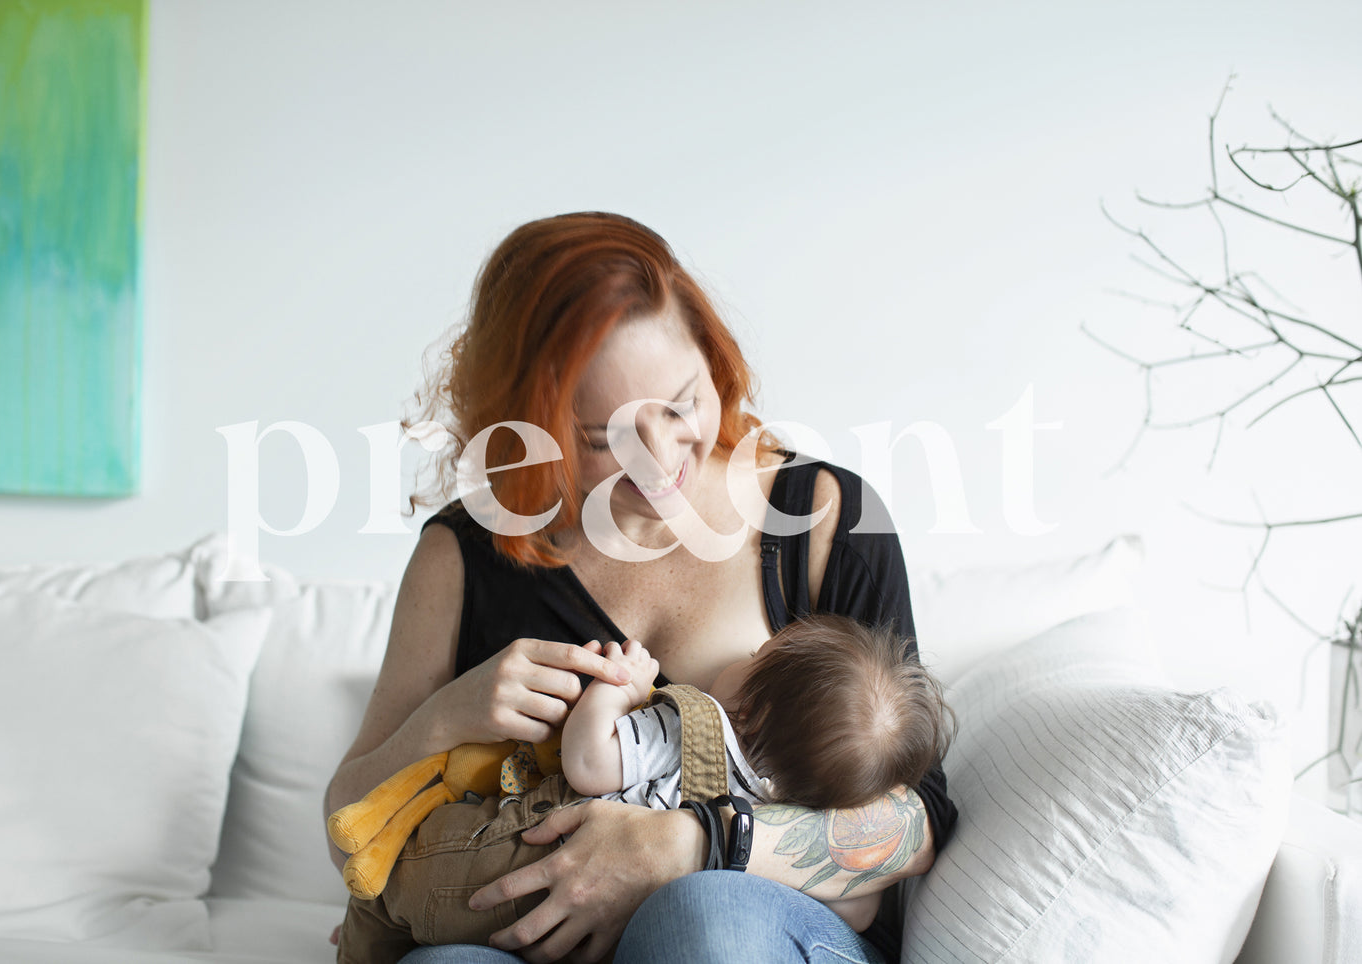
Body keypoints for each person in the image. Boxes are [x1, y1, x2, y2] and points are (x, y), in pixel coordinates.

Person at [326, 211, 959, 964]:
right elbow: (348, 830)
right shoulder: (462, 556)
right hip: (533, 942)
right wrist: (446, 715)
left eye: (681, 403)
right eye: (602, 439)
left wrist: (692, 844)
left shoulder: (821, 521)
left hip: (747, 925)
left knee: (703, 920)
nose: (661, 462)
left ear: (712, 360)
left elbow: (917, 820)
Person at [336, 618, 955, 962]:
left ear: (752, 715)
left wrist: (624, 686)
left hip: (590, 903)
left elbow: (589, 761)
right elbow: (861, 905)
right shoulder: (785, 799)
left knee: (706, 914)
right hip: (591, 927)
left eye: (762, 653)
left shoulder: (690, 722)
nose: (751, 644)